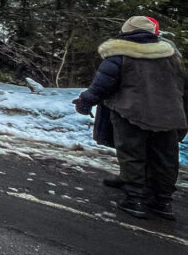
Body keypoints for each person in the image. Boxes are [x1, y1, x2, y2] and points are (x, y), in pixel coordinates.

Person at [74, 16, 187, 220]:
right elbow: (183, 87)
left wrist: (85, 101)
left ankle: (134, 198)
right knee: (165, 158)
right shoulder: (171, 55)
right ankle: (162, 201)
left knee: (132, 153)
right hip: (169, 115)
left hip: (132, 112)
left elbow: (103, 84)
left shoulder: (120, 53)